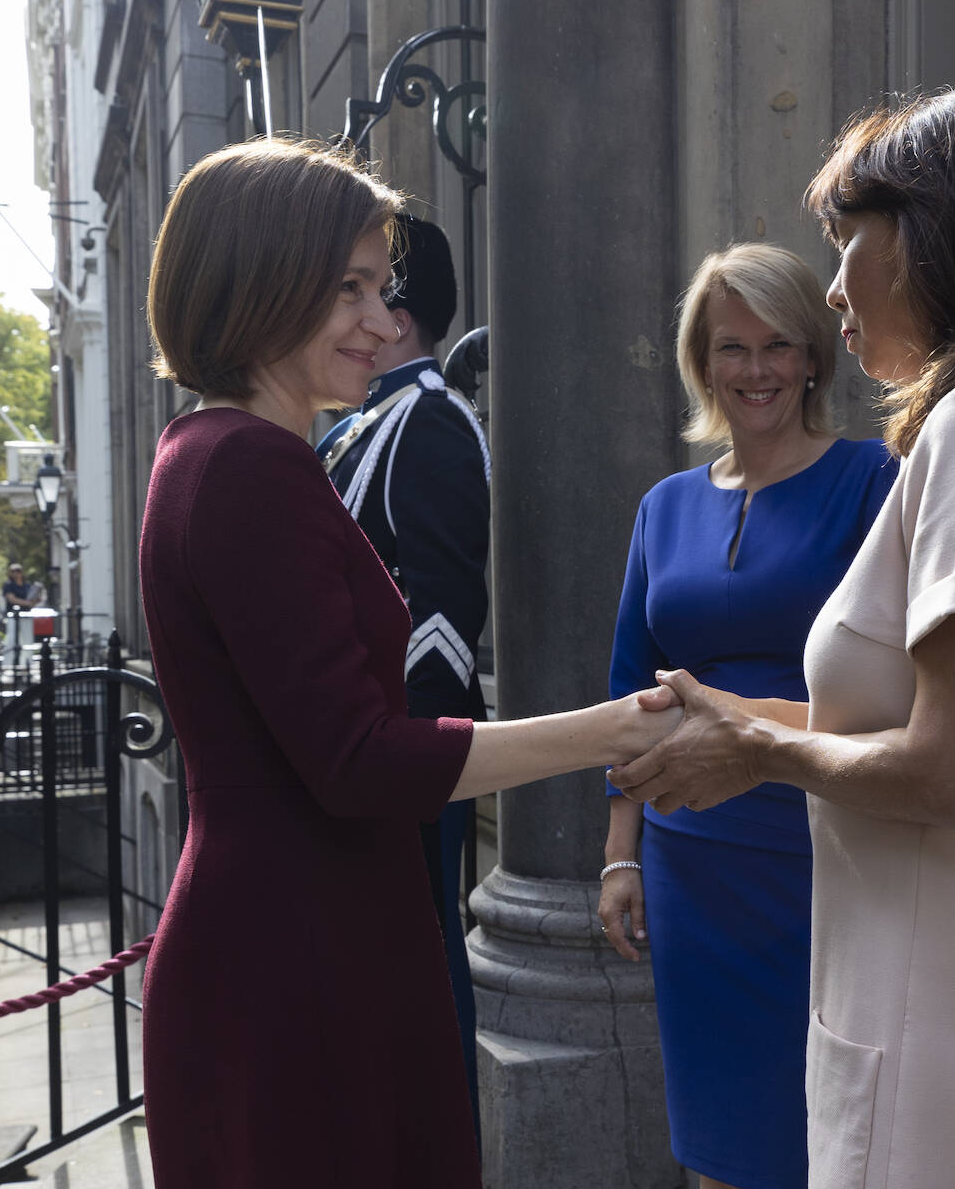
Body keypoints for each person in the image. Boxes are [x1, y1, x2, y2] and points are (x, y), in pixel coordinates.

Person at [610, 86, 955, 1188]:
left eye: (845, 243)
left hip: (937, 1015)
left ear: (923, 236)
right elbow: (925, 720)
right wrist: (743, 715)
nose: (833, 287)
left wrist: (761, 751)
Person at [136, 136, 679, 1188]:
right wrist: (617, 728)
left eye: (381, 291)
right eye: (351, 290)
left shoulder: (208, 452)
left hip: (296, 946)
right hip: (304, 968)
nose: (387, 325)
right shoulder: (249, 464)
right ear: (259, 279)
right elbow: (358, 758)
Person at [599, 242, 896, 1189]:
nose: (756, 370)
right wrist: (619, 854)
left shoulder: (871, 481)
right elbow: (626, 690)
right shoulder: (664, 506)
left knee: (825, 1128)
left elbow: (895, 693)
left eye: (778, 345)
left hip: (819, 844)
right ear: (701, 361)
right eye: (732, 347)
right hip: (688, 856)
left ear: (816, 355)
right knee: (718, 1135)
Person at [315, 213, 489, 1115]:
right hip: (359, 760)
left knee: (421, 976)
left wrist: (401, 746)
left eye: (360, 290)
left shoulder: (428, 422)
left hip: (404, 759)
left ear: (400, 312)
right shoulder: (356, 428)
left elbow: (445, 621)